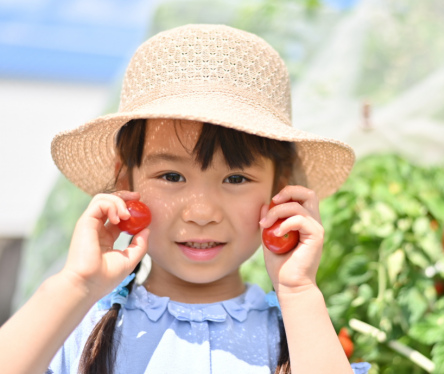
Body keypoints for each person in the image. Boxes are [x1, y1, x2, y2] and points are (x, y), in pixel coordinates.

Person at [0, 24, 370, 374]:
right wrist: (76, 284)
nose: (202, 212)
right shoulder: (78, 328)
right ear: (126, 180)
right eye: (172, 176)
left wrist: (299, 292)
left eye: (236, 177)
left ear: (279, 190)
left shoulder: (299, 333)